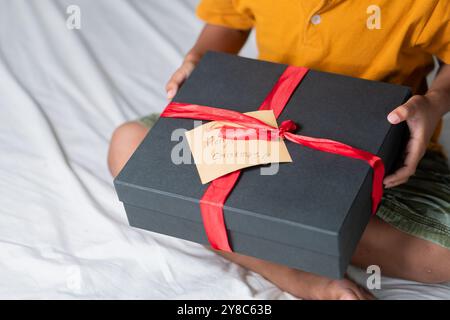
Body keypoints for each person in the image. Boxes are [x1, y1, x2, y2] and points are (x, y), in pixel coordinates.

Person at [108, 0, 450, 299]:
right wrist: (197, 58)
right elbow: (228, 19)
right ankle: (291, 267)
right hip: (260, 125)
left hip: (384, 150)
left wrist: (433, 103)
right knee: (129, 145)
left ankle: (264, 225)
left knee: (443, 257)